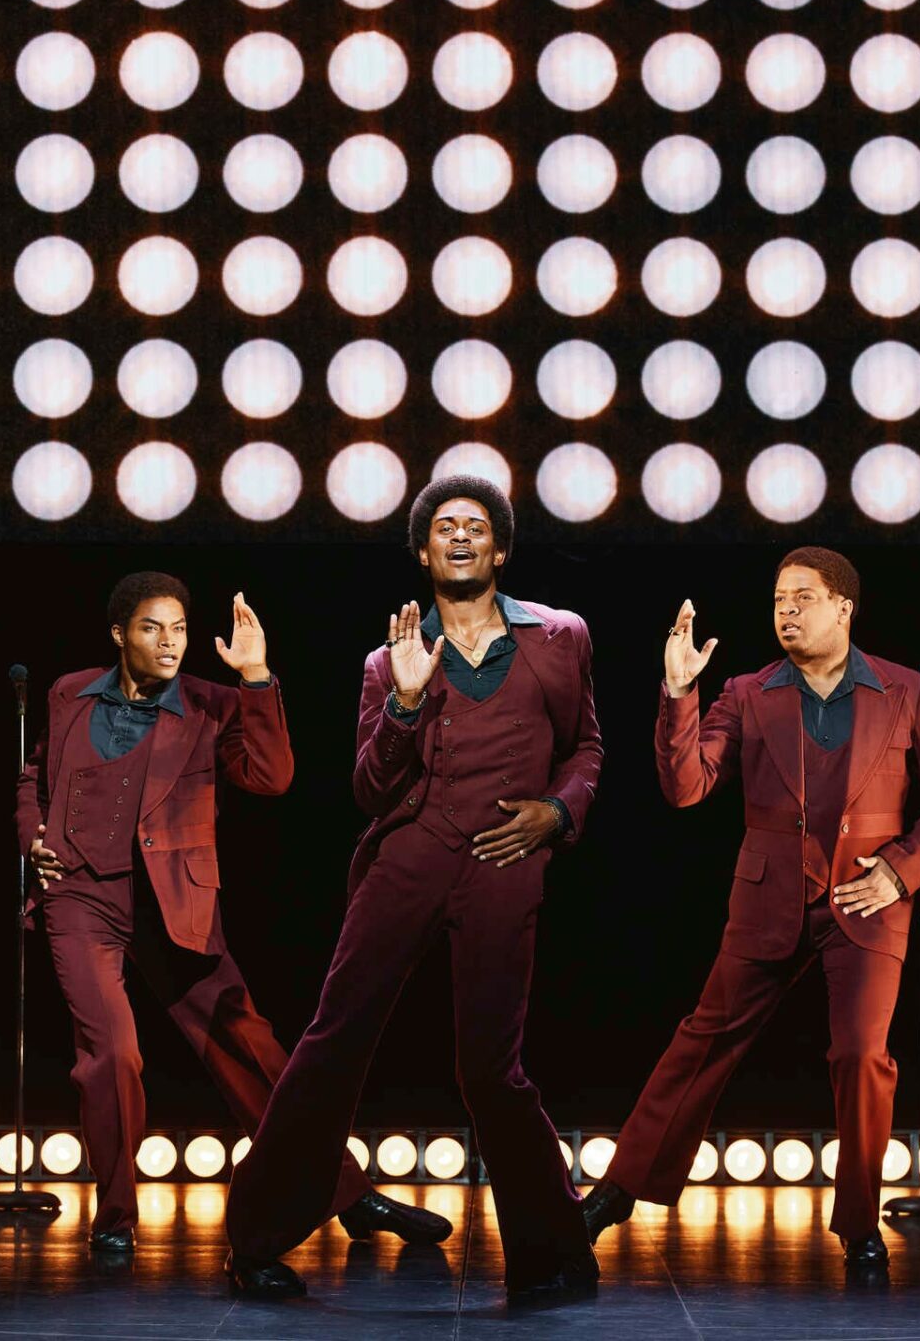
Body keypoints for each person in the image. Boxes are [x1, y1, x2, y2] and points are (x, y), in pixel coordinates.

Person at [225, 475, 601, 1302]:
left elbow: (586, 749)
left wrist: (557, 811)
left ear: (500, 549)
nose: (460, 536)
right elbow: (369, 789)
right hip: (409, 855)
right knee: (334, 1040)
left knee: (491, 1067)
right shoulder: (385, 659)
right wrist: (401, 702)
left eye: (476, 526)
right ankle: (254, 1240)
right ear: (424, 553)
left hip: (505, 858)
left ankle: (553, 1249)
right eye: (443, 527)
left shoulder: (559, 636)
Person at [16, 574, 449, 1253]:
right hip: (80, 896)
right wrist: (32, 840)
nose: (169, 642)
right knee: (113, 1054)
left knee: (250, 1047)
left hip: (173, 898)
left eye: (179, 629)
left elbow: (272, 776)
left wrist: (255, 677)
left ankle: (349, 1193)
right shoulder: (68, 692)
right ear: (119, 634)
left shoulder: (209, 703)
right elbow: (34, 775)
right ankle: (116, 1215)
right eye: (153, 628)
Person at [580, 547, 920, 1270]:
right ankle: (619, 1189)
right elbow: (687, 786)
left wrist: (902, 870)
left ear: (844, 608)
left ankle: (859, 1223)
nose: (786, 611)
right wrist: (679, 694)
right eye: (777, 600)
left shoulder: (904, 690)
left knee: (861, 1055)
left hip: (865, 901)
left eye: (803, 597)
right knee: (702, 1039)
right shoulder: (747, 691)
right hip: (769, 897)